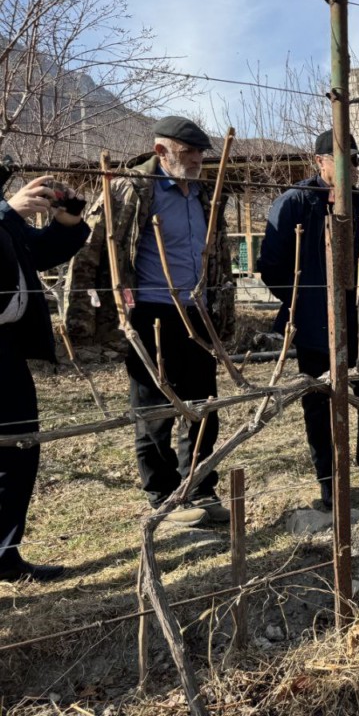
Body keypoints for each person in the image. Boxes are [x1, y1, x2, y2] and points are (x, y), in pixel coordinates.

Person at [78, 116, 235, 527]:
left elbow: (218, 254)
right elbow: (91, 250)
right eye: (188, 152)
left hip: (197, 313)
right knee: (153, 409)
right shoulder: (130, 189)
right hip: (150, 313)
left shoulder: (204, 193)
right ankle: (163, 497)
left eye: (201, 152)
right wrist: (85, 314)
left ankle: (199, 487)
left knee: (203, 406)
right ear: (160, 151)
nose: (197, 159)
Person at [258, 131, 359, 508]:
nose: (352, 168)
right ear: (319, 161)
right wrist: (304, 302)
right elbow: (271, 265)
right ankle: (329, 480)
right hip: (314, 322)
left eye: (356, 161)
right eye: (344, 160)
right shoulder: (294, 202)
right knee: (319, 400)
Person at [0, 176, 89, 580]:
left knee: (20, 446)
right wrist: (7, 213)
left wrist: (66, 222)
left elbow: (33, 252)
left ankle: (4, 555)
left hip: (6, 348)